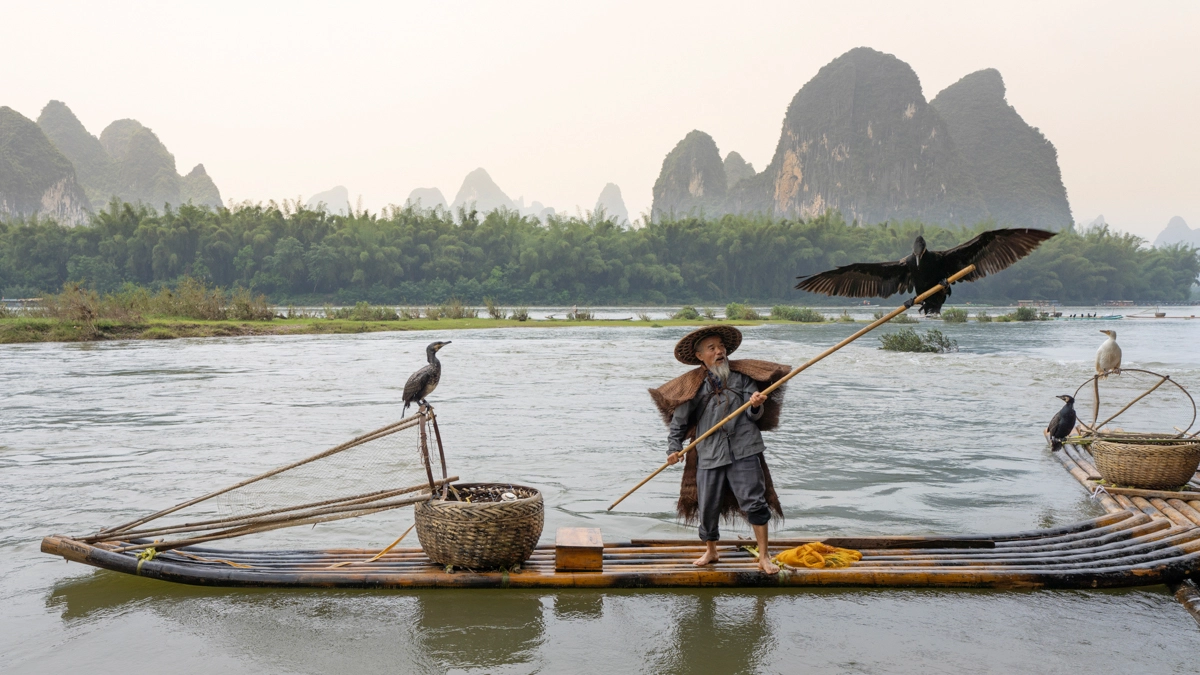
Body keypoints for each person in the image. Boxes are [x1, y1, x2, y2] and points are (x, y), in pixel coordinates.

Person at [648, 325, 790, 574]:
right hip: (709, 453)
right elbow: (679, 423)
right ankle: (711, 552)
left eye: (721, 347)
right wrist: (674, 448)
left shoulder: (743, 378)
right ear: (700, 355)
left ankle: (764, 557)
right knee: (708, 505)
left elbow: (753, 415)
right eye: (712, 348)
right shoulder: (692, 386)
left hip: (744, 448)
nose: (719, 351)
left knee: (754, 502)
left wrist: (755, 404)